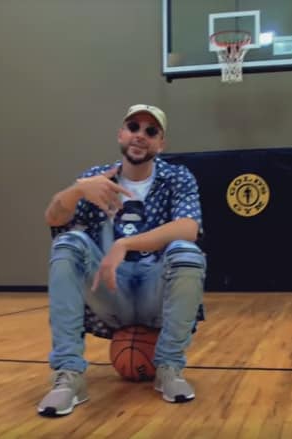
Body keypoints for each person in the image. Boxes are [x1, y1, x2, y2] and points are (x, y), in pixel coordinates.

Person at [38, 104, 207, 417]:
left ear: (161, 144)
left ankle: (169, 367)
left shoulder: (177, 177)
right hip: (111, 292)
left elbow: (189, 227)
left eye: (151, 131)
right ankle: (68, 374)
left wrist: (125, 244)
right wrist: (76, 191)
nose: (140, 135)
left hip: (155, 291)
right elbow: (54, 218)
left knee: (188, 252)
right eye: (133, 127)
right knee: (67, 243)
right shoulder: (96, 179)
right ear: (121, 134)